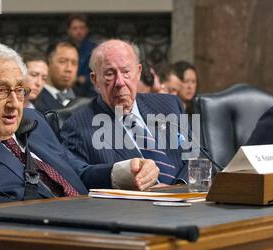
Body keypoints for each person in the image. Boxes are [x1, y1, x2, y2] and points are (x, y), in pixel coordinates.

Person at [0, 43, 159, 205]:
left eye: (19, 90)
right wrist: (31, 213)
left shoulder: (33, 121)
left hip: (92, 221)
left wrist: (124, 172)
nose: (15, 104)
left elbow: (76, 172)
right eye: (2, 91)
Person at [61, 39, 189, 187]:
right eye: (110, 74)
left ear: (138, 72)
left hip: (185, 201)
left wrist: (178, 188)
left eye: (126, 72)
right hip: (135, 207)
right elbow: (77, 174)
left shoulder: (169, 105)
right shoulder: (77, 125)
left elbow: (197, 156)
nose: (120, 82)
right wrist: (122, 173)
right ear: (95, 80)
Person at [34, 41, 80, 114]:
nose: (69, 69)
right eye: (62, 61)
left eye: (74, 63)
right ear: (47, 63)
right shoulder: (34, 99)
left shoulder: (83, 98)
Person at [66, 14, 97, 97]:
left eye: (82, 28)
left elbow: (100, 72)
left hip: (90, 91)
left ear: (87, 30)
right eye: (75, 28)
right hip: (68, 90)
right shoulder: (62, 49)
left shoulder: (95, 49)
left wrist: (86, 78)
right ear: (68, 30)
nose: (79, 31)